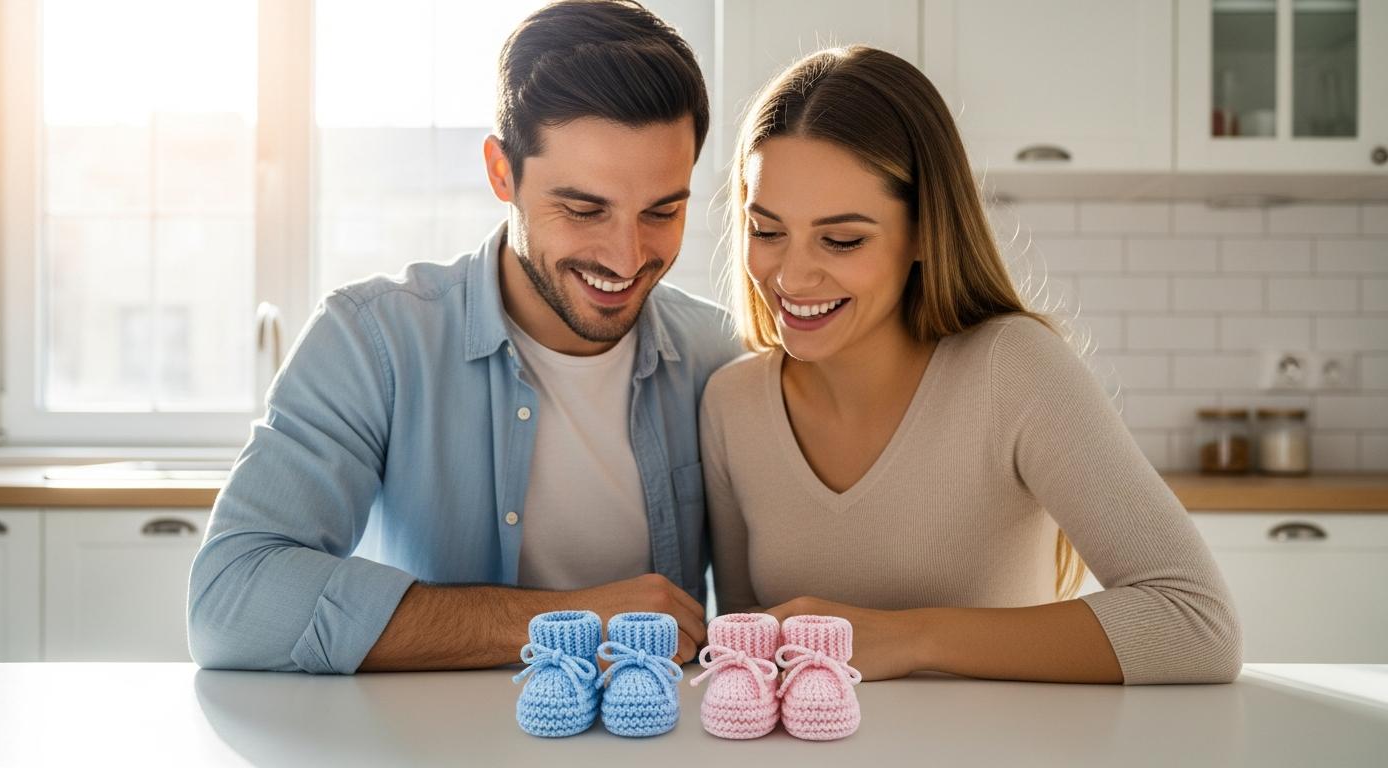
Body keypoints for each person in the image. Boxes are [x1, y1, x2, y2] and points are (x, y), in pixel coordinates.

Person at [188, 0, 738, 674]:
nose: (626, 259)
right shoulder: (373, 344)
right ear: (501, 172)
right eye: (583, 209)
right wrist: (567, 623)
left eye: (663, 211)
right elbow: (231, 602)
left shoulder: (722, 356)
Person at [702, 46, 1242, 685]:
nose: (791, 275)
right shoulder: (731, 405)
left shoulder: (1014, 371)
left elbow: (1197, 626)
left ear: (928, 231)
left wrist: (909, 639)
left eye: (842, 239)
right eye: (767, 231)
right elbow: (745, 666)